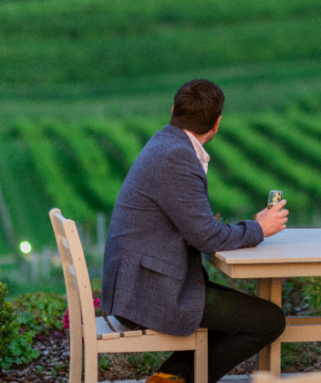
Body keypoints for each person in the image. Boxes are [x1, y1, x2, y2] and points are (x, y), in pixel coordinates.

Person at [101, 79, 289, 383]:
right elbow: (207, 238)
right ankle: (177, 379)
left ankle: (171, 377)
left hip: (140, 283)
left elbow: (194, 226)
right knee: (268, 320)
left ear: (173, 110)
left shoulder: (164, 142)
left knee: (241, 315)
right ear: (217, 124)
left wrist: (205, 226)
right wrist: (259, 228)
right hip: (146, 292)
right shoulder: (177, 157)